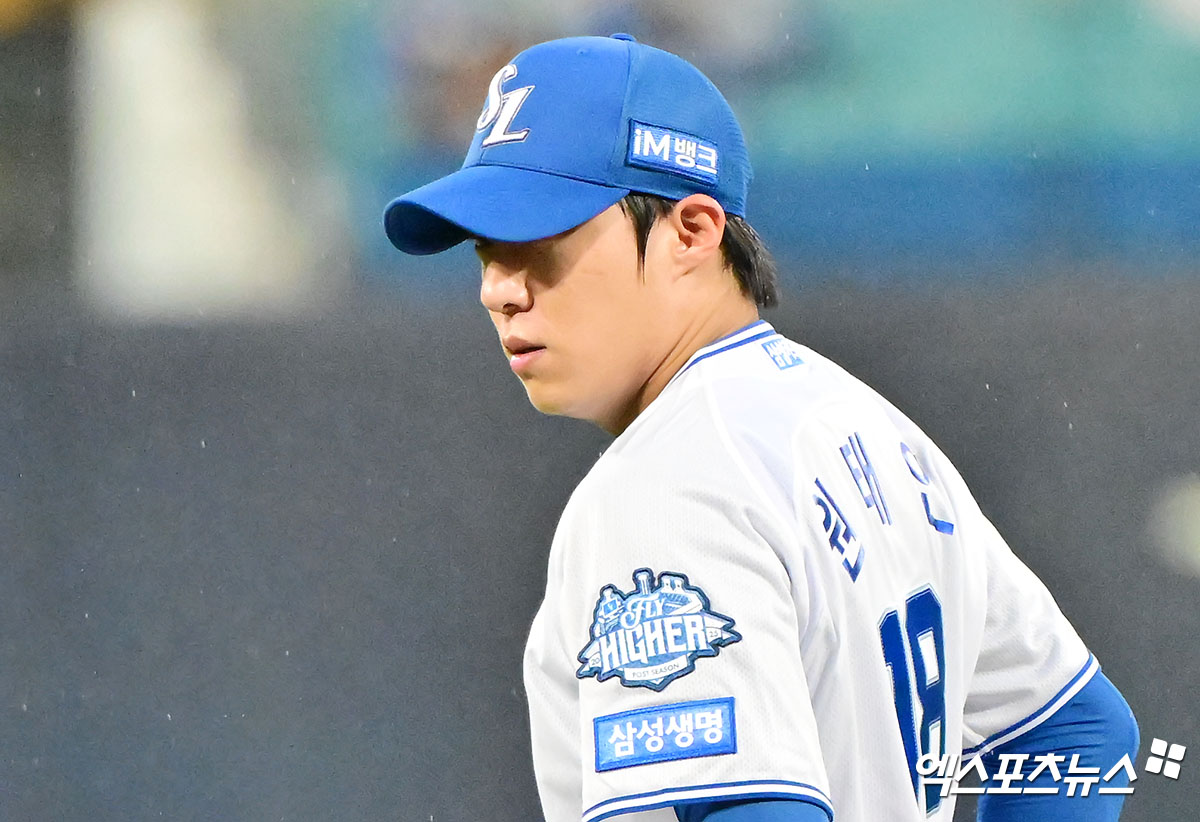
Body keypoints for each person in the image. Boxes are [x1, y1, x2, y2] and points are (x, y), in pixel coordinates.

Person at [382, 33, 1139, 822]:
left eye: (540, 240)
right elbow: (1075, 734)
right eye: (487, 252)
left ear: (692, 230)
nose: (499, 290)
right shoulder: (871, 428)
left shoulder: (668, 484)